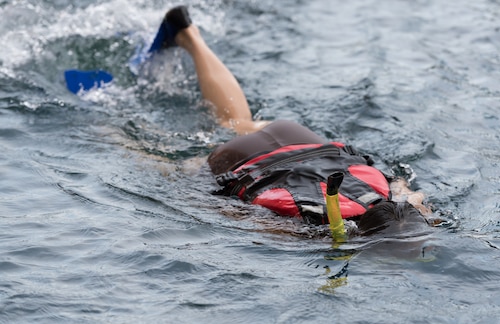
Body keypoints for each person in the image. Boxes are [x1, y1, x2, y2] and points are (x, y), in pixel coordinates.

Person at [154, 6, 431, 235]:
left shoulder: (402, 204)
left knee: (240, 122)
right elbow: (239, 214)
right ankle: (116, 134)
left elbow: (409, 195)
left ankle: (191, 36)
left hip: (297, 137)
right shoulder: (309, 229)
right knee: (169, 161)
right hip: (240, 158)